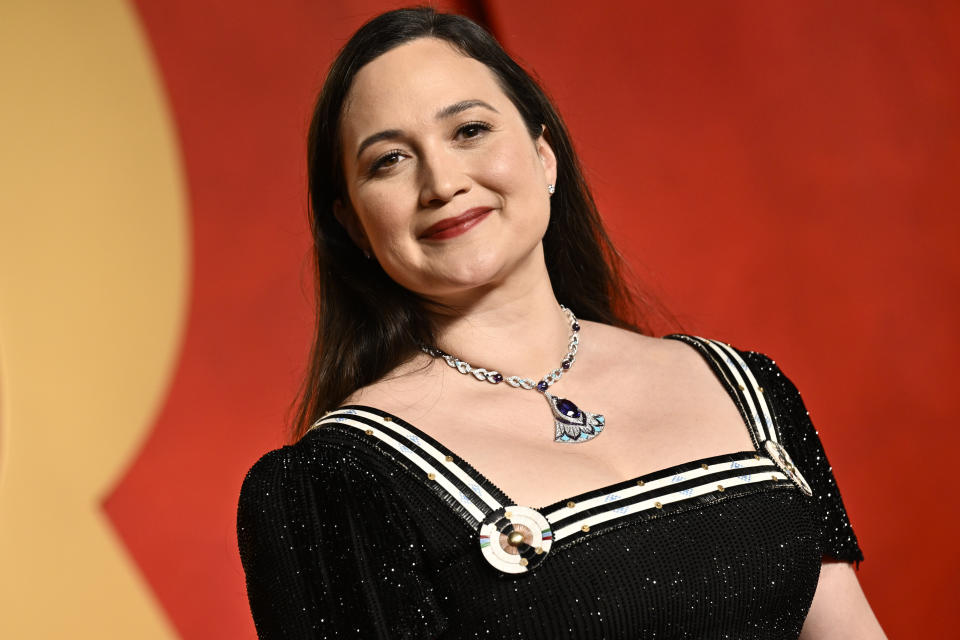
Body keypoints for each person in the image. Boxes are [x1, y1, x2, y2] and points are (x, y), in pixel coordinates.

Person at [236, 7, 886, 639]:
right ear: (353, 226)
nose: (442, 181)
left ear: (544, 156)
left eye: (468, 131)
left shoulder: (748, 389)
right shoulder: (336, 483)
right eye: (389, 161)